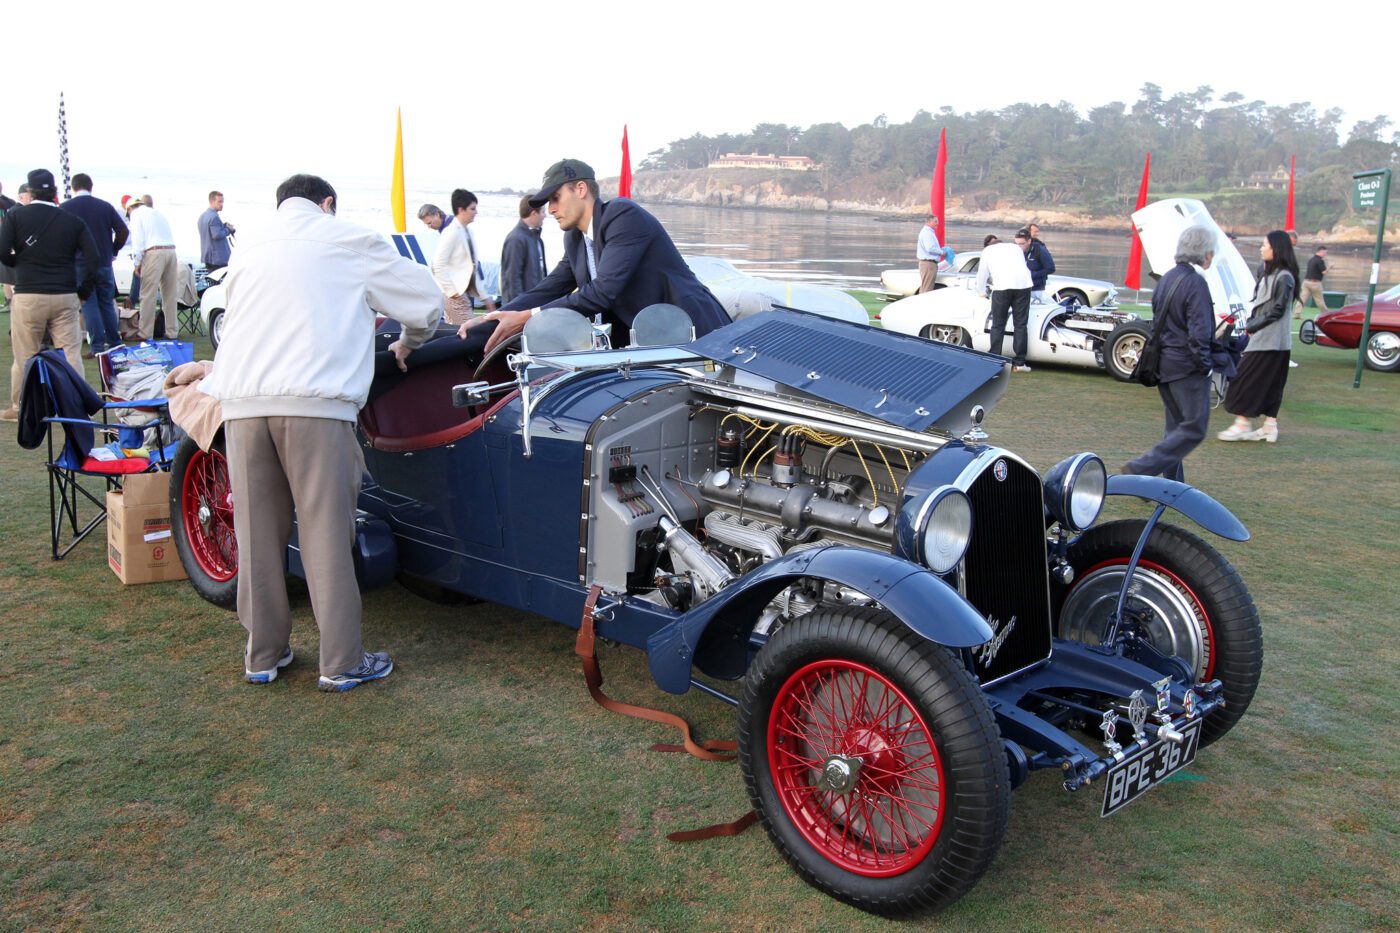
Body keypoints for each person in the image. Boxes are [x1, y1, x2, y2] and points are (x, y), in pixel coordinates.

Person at [197, 173, 442, 690]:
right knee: (325, 532)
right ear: (326, 203)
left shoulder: (250, 246)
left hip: (241, 403)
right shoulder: (347, 238)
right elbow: (423, 301)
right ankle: (342, 660)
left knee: (256, 533)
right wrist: (408, 342)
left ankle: (263, 653)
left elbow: (224, 313)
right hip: (316, 403)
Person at [471, 159, 729, 354]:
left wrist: (528, 317)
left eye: (555, 198)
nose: (551, 209)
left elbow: (603, 291)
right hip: (649, 340)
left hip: (693, 331)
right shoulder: (575, 238)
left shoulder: (622, 215)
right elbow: (549, 288)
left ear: (580, 189)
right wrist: (491, 319)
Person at [0, 169, 99, 422]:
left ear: (30, 191)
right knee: (70, 355)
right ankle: (75, 406)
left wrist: (19, 262)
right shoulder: (71, 220)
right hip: (65, 294)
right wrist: (83, 292)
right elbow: (94, 259)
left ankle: (21, 408)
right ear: (54, 191)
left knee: (25, 355)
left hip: (28, 294)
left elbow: (2, 250)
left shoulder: (15, 216)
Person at [1123, 226, 1219, 481]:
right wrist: (1206, 365)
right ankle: (1142, 468)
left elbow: (1159, 323)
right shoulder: (1196, 283)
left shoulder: (1166, 278)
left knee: (1175, 428)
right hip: (1185, 366)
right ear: (1206, 254)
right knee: (1194, 428)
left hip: (1164, 363)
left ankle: (1172, 484)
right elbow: (1199, 332)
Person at [1218, 230, 1299, 444]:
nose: (1261, 248)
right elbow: (1260, 303)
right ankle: (1269, 427)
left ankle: (1242, 424)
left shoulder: (1285, 277)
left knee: (1242, 380)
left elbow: (1278, 309)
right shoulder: (1267, 273)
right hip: (1267, 339)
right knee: (1271, 385)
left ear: (1276, 249)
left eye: (1265, 245)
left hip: (1272, 341)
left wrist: (1253, 324)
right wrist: (1251, 323)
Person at [59, 173, 129, 356]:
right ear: (91, 187)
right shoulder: (105, 206)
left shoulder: (66, 208)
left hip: (81, 263)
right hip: (104, 262)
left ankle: (97, 346)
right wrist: (113, 249)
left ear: (73, 188)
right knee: (106, 302)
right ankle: (115, 342)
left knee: (89, 305)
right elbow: (123, 230)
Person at [431, 189, 494, 325]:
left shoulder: (467, 232)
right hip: (454, 296)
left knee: (463, 335)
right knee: (466, 335)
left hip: (464, 295)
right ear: (461, 210)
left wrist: (485, 298)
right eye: (472, 208)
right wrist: (453, 293)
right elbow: (437, 265)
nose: (476, 212)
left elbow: (472, 268)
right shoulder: (451, 232)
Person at [974, 231, 1034, 372]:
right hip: (1024, 285)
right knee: (1020, 324)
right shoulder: (1015, 247)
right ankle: (1019, 362)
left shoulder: (987, 251)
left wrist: (981, 292)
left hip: (1002, 287)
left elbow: (982, 274)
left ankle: (995, 356)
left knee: (998, 324)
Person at [126, 195, 181, 340]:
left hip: (154, 252)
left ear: (130, 208)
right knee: (170, 295)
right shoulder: (156, 213)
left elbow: (138, 241)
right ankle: (172, 331)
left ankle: (145, 333)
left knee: (147, 295)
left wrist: (137, 263)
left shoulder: (136, 215)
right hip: (171, 251)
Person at [500, 196, 547, 304]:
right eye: (543, 212)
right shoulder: (516, 239)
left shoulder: (536, 238)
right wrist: (518, 307)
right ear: (534, 213)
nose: (545, 215)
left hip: (533, 304)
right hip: (521, 308)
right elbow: (512, 278)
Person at [198, 190, 236, 272]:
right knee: (221, 282)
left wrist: (224, 226)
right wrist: (229, 230)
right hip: (217, 258)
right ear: (212, 201)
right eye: (219, 202)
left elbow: (209, 233)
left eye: (222, 202)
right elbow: (216, 235)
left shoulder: (202, 216)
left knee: (212, 281)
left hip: (207, 256)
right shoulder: (214, 217)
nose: (222, 204)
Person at [915, 215, 949, 294]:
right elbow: (930, 248)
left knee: (926, 286)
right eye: (935, 221)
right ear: (928, 222)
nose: (937, 224)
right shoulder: (927, 233)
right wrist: (941, 252)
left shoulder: (928, 232)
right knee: (927, 287)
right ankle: (923, 304)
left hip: (928, 263)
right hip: (928, 263)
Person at [1024, 223, 1056, 305]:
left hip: (1037, 287)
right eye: (1035, 232)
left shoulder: (1040, 247)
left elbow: (1050, 267)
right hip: (1022, 286)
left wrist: (1034, 274)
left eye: (1037, 232)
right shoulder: (1018, 247)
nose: (1037, 234)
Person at [1299, 246, 1328, 316]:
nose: (1325, 254)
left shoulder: (1311, 259)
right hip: (1315, 283)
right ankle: (1326, 314)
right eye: (1325, 253)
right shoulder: (1320, 261)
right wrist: (1330, 267)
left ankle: (1296, 314)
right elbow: (1324, 272)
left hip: (1306, 282)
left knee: (1302, 299)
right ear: (1321, 252)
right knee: (1320, 300)